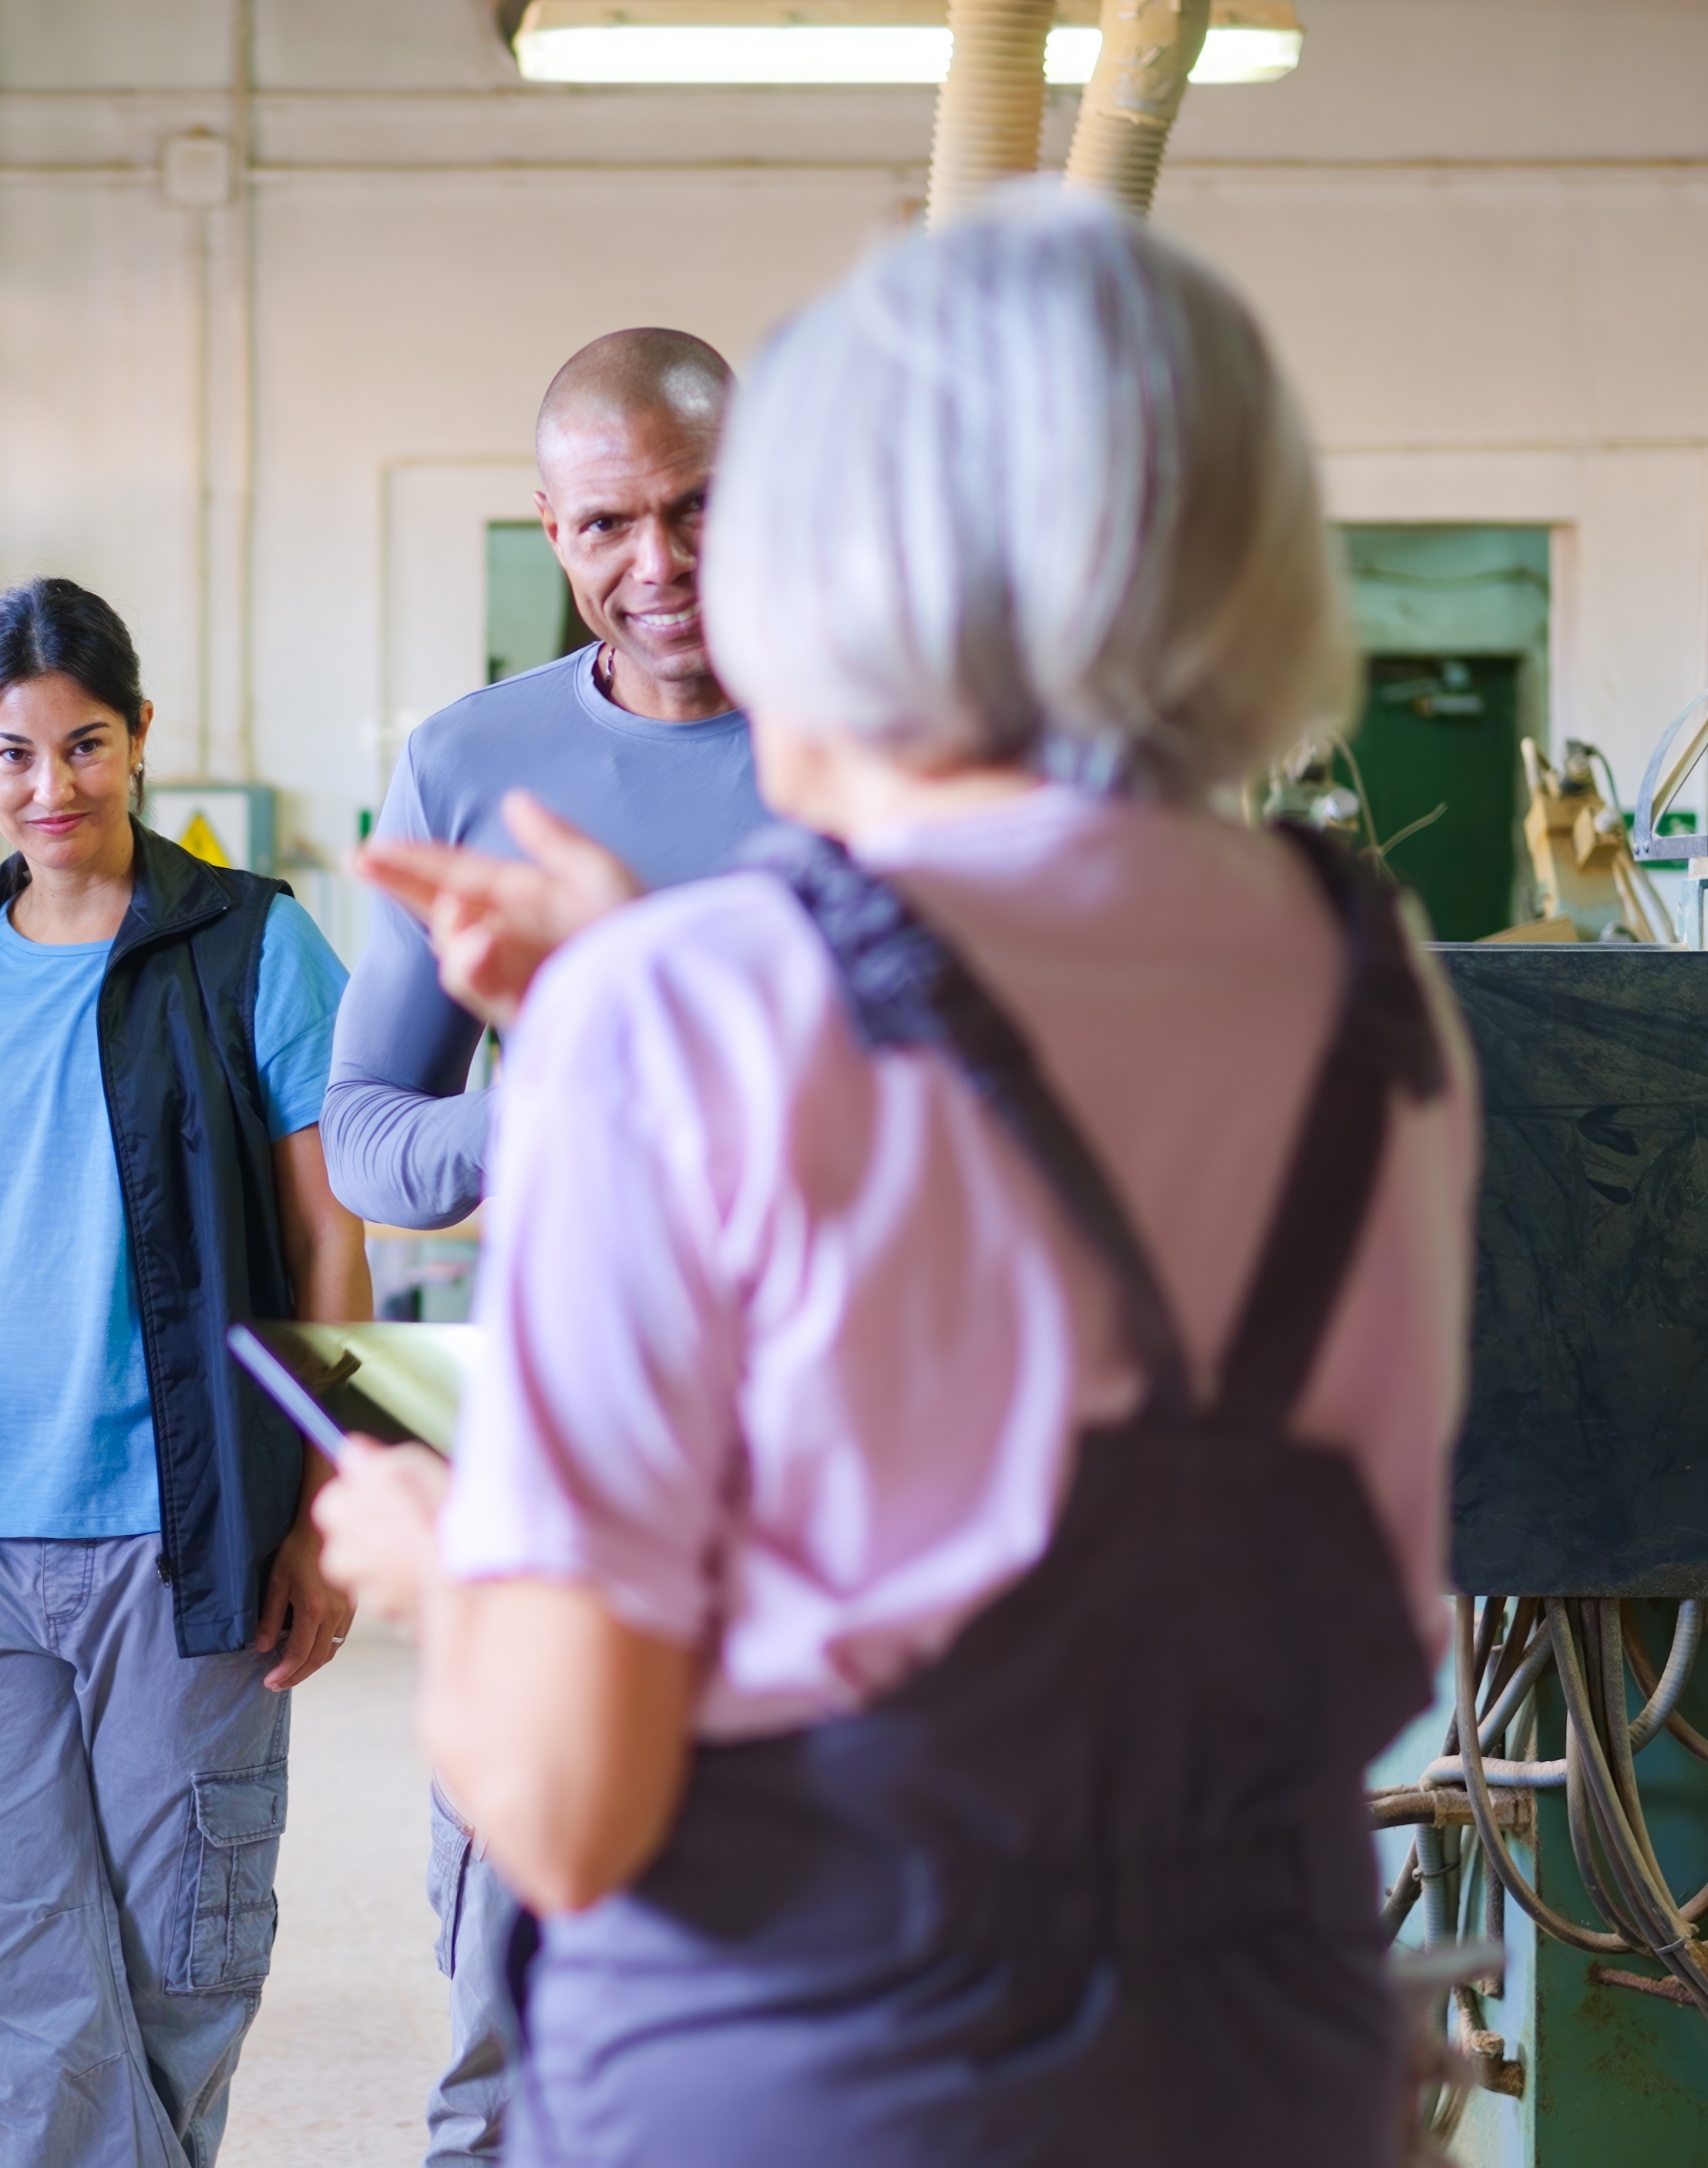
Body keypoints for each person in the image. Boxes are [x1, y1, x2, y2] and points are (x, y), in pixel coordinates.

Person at [316, 197, 1476, 2166]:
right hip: (1263, 2046)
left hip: (817, 2072)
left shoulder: (680, 1015)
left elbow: (571, 1796)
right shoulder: (1369, 983)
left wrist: (438, 1562)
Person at [318, 326, 772, 2168]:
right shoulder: (472, 756)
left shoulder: (893, 745)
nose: (654, 562)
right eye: (607, 522)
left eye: (698, 508)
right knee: (522, 2025)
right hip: (576, 1458)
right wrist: (572, 1073)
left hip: (839, 1468)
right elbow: (370, 1137)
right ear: (548, 528)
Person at [0, 577, 369, 2168]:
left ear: (140, 738)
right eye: (13, 754)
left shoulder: (252, 945)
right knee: (16, 1968)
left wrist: (330, 1504)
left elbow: (330, 1240)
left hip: (184, 1530)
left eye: (84, 744)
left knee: (173, 1965)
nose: (51, 787)